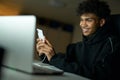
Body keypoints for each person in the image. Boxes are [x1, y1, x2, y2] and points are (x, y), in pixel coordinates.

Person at [36, 0, 120, 80]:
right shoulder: (76, 47)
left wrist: (54, 58)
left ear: (101, 22)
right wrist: (46, 54)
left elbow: (99, 74)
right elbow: (63, 64)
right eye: (81, 20)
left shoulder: (113, 44)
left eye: (88, 20)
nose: (83, 24)